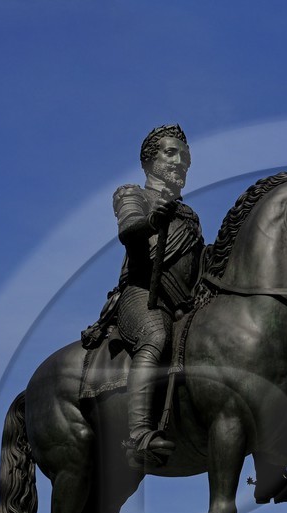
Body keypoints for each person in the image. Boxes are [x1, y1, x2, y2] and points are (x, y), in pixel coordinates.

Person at [111, 123, 204, 469]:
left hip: (183, 304)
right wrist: (152, 220)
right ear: (149, 161)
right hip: (142, 295)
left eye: (185, 156)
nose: (180, 161)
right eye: (171, 153)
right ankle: (138, 435)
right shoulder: (132, 194)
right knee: (156, 335)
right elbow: (128, 230)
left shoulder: (190, 216)